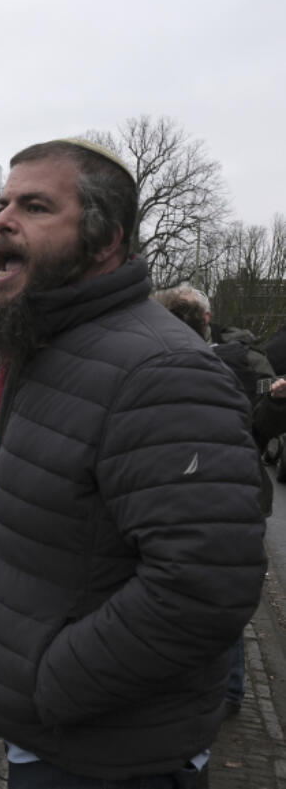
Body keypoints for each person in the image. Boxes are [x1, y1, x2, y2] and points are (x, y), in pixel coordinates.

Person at [0, 138, 265, 786]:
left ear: (103, 241)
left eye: (36, 206)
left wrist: (51, 679)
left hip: (109, 759)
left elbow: (206, 583)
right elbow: (22, 466)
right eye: (3, 204)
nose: (4, 220)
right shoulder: (50, 347)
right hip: (54, 745)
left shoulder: (162, 367)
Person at [153, 283, 286, 718]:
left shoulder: (247, 360)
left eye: (185, 316)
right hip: (174, 492)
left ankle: (228, 690)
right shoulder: (155, 356)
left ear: (205, 319)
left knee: (225, 593)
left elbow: (259, 430)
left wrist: (278, 404)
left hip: (236, 494)